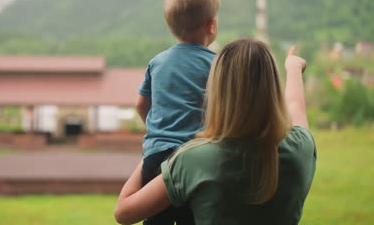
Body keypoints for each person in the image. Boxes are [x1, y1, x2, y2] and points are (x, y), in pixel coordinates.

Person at [115, 39, 317, 225]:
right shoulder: (301, 149)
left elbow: (124, 212)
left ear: (217, 91)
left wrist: (158, 138)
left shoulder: (193, 160)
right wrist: (293, 68)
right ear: (273, 87)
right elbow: (295, 107)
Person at [135, 0, 221, 225]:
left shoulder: (158, 62)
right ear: (211, 25)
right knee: (192, 217)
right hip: (196, 156)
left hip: (156, 155)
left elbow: (141, 105)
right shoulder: (216, 64)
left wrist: (157, 131)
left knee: (156, 218)